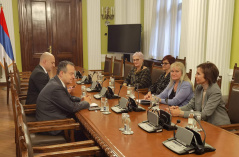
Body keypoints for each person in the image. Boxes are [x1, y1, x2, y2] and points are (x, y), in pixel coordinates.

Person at [36, 61, 91, 135]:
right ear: (62, 73)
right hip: (52, 126)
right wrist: (86, 103)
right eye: (71, 74)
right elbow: (72, 107)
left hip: (52, 120)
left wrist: (81, 99)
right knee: (86, 132)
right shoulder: (56, 87)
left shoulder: (56, 81)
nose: (74, 77)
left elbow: (68, 97)